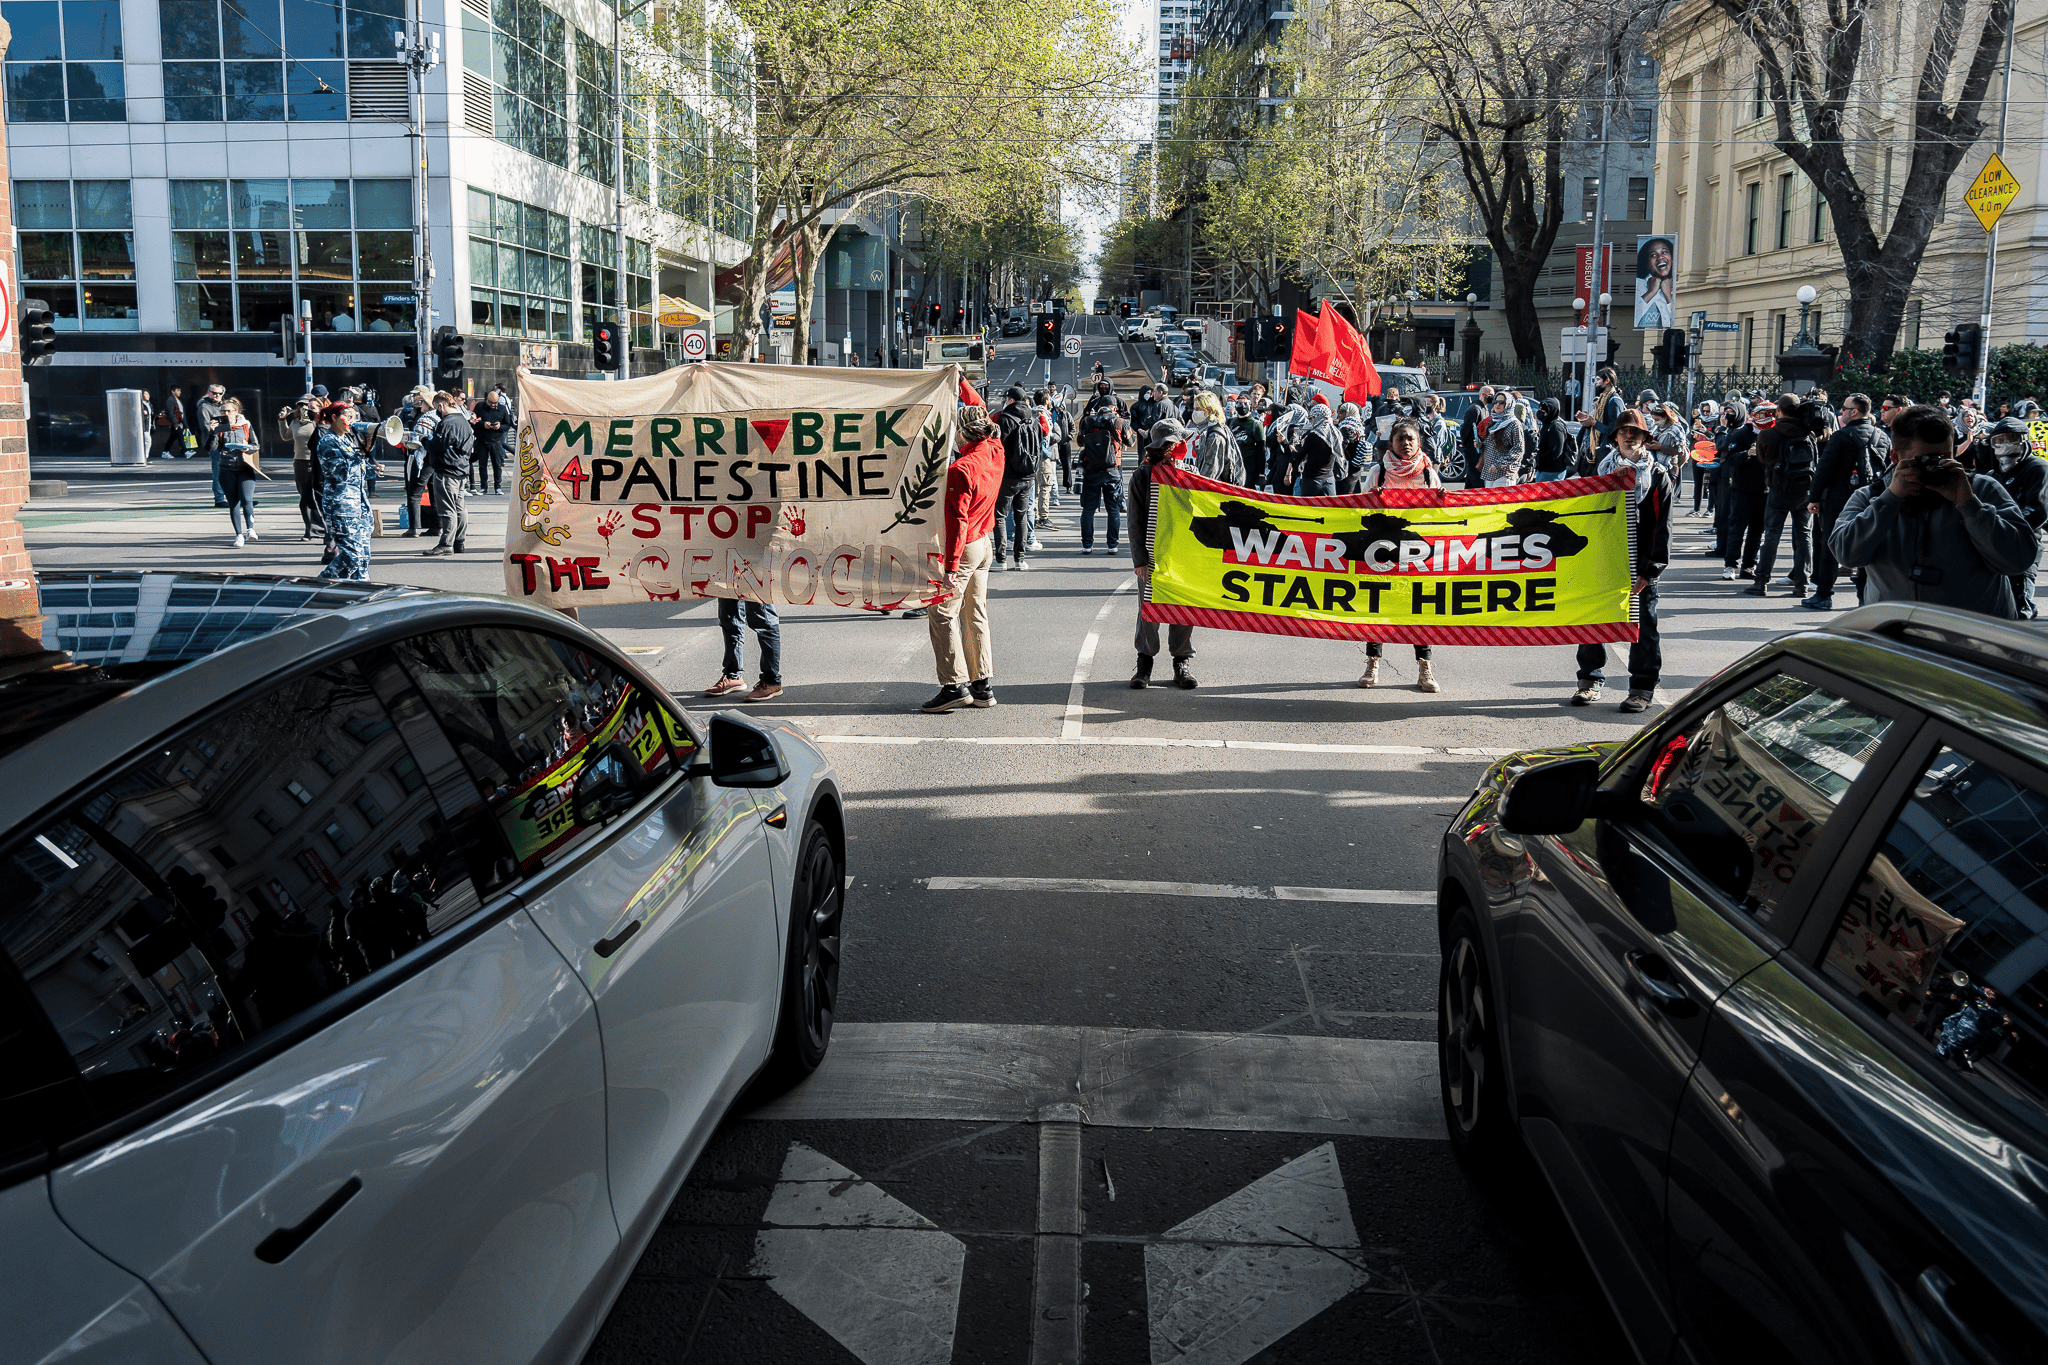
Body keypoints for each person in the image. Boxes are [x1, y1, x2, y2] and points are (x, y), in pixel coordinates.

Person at [1829, 404, 2039, 619]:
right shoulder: (1870, 497)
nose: (1936, 468)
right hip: (1899, 637)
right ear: (1895, 457)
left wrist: (1969, 505)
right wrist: (1890, 500)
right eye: (1924, 461)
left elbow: (2019, 560)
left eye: (1945, 458)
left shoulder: (1982, 490)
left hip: (1976, 638)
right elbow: (1846, 554)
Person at [1573, 408, 1672, 713]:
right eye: (1623, 432)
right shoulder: (1598, 471)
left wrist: (1649, 570)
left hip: (1639, 563)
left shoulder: (1657, 477)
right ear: (1614, 437)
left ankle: (1641, 688)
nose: (1629, 437)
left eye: (1636, 432)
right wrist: (1605, 483)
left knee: (1643, 625)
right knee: (1593, 619)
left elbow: (1660, 525)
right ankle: (1589, 681)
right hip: (1601, 558)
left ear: (1645, 438)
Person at [923, 394, 1005, 711]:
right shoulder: (995, 451)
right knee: (975, 615)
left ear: (961, 434)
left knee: (941, 613)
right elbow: (979, 407)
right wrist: (959, 382)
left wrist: (949, 568)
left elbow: (957, 522)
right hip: (985, 541)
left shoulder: (960, 468)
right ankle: (982, 684)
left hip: (966, 545)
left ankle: (953, 684)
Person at [1356, 418, 1442, 693]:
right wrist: (1372, 499)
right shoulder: (1378, 472)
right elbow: (1357, 509)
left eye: (1410, 439)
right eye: (1400, 439)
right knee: (1377, 609)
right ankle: (1372, 664)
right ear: (1390, 444)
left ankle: (1424, 669)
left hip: (1417, 553)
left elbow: (1438, 517)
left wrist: (1439, 500)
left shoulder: (1428, 473)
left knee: (1418, 610)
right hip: (1381, 552)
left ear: (1419, 443)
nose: (1405, 444)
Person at [1129, 420, 1199, 690]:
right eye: (1169, 443)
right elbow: (1134, 522)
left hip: (1184, 554)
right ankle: (1144, 662)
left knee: (1183, 609)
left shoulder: (1190, 472)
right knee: (1148, 611)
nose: (1174, 448)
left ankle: (1181, 662)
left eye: (1177, 443)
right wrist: (1139, 560)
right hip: (1152, 555)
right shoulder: (1142, 476)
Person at [1803, 392, 1888, 610]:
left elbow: (1824, 469)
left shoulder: (1841, 437)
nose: (1841, 412)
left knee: (1831, 545)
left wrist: (1814, 498)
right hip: (1872, 498)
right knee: (1867, 546)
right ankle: (1863, 598)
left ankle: (1823, 595)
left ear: (1855, 411)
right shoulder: (1882, 436)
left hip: (1839, 498)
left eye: (1845, 408)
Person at [1746, 392, 1822, 598]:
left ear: (1778, 410)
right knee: (1804, 536)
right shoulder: (1808, 434)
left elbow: (1762, 459)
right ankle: (1802, 584)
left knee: (1771, 536)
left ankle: (1761, 582)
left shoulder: (1768, 434)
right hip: (1804, 491)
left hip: (1778, 489)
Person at [312, 398, 383, 582]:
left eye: (354, 417)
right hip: (341, 508)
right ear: (335, 418)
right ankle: (321, 582)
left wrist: (370, 467)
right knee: (353, 557)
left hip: (359, 507)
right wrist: (361, 455)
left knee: (363, 557)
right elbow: (338, 474)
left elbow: (356, 473)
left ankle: (361, 589)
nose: (352, 421)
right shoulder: (328, 442)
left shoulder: (347, 440)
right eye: (348, 416)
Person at [1986, 417, 2047, 618]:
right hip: (1995, 545)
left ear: (2024, 440)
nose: (2005, 445)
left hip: (2024, 544)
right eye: (1999, 440)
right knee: (1998, 602)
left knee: (2021, 602)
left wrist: (2006, 530)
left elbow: (2038, 511)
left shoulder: (2037, 467)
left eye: (2012, 438)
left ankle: (2024, 644)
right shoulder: (1993, 474)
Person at [420, 392, 473, 556]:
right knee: (460, 508)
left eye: (437, 408)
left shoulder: (446, 423)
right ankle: (459, 541)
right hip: (461, 469)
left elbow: (437, 445)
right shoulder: (464, 421)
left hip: (446, 470)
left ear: (441, 405)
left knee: (447, 509)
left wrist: (424, 440)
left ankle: (446, 543)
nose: (437, 411)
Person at [1076, 393, 1129, 554]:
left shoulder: (1088, 421)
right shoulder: (1119, 421)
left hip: (1091, 469)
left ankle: (1087, 544)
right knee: (1113, 509)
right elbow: (1130, 442)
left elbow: (1079, 441)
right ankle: (1112, 545)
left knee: (1088, 509)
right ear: (1114, 407)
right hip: (1112, 469)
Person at [992, 386, 1038, 570]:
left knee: (1001, 516)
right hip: (1028, 476)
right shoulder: (1033, 420)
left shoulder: (1005, 420)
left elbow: (998, 448)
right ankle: (1020, 559)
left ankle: (1001, 559)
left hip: (1008, 475)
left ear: (1010, 400)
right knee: (1022, 516)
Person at [1721, 400, 1768, 581]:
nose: (1766, 419)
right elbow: (1729, 459)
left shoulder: (1771, 434)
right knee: (1737, 529)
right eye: (1763, 415)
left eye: (1769, 415)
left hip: (1764, 491)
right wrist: (1746, 454)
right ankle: (1730, 565)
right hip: (1742, 489)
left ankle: (1749, 565)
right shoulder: (1742, 434)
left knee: (1757, 531)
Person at [276, 389, 327, 540]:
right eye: (301, 405)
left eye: (308, 405)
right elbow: (286, 436)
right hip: (300, 461)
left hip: (317, 462)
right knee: (305, 497)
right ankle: (310, 529)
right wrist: (281, 420)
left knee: (319, 496)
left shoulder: (319, 422)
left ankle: (324, 528)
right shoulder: (296, 422)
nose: (304, 408)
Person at [217, 398, 264, 546]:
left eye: (228, 411)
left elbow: (256, 445)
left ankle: (250, 529)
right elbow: (211, 447)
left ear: (236, 412)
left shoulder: (245, 425)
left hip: (245, 468)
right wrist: (213, 432)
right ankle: (238, 535)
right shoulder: (220, 427)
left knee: (247, 499)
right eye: (223, 411)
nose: (225, 413)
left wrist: (247, 448)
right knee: (233, 503)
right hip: (226, 469)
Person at [397, 384, 436, 538]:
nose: (416, 399)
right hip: (433, 457)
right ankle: (436, 526)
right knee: (433, 491)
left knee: (414, 492)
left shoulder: (422, 415)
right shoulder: (438, 415)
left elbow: (417, 436)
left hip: (420, 456)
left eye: (420, 398)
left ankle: (414, 528)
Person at [1185, 390, 1244, 484]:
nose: (1195, 412)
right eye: (1194, 409)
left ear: (1209, 411)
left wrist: (1198, 486)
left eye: (1198, 409)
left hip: (1217, 490)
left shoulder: (1214, 435)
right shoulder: (1210, 429)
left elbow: (1210, 470)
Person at [1294, 395, 1345, 495]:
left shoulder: (1313, 436)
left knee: (1309, 510)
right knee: (1329, 510)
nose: (1311, 420)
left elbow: (1299, 457)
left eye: (1312, 417)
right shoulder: (1335, 433)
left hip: (1311, 481)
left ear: (1318, 417)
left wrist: (1290, 447)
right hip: (1329, 480)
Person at [471, 384, 514, 494]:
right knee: (482, 465)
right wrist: (482, 424)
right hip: (481, 439)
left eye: (495, 403)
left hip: (496, 440)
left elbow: (507, 424)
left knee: (497, 464)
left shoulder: (502, 409)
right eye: (491, 403)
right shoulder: (480, 406)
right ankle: (484, 486)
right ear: (487, 400)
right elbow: (473, 422)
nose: (493, 405)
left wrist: (500, 427)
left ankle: (498, 487)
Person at [1479, 389, 1525, 486]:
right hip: (1490, 472)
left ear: (1508, 404)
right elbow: (1492, 446)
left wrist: (1499, 464)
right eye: (1495, 401)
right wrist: (1481, 445)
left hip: (1505, 474)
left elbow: (1518, 449)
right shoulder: (1494, 421)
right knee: (1489, 501)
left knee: (1501, 501)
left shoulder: (1514, 423)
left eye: (1501, 402)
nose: (1497, 404)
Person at [196, 383, 229, 505]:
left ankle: (237, 498)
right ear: (208, 392)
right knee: (218, 472)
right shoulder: (204, 407)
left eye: (220, 393)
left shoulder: (223, 406)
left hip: (227, 442)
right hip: (214, 443)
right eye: (214, 393)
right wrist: (219, 429)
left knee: (232, 471)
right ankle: (219, 499)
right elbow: (205, 427)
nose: (217, 395)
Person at [1530, 398, 1571, 482]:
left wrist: (1539, 459)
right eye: (1539, 409)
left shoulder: (1556, 427)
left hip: (1552, 470)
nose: (1540, 413)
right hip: (1543, 469)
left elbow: (1555, 451)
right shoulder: (1547, 424)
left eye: (1543, 411)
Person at [162, 386, 188, 460]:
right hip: (175, 423)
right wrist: (175, 423)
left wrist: (185, 423)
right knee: (180, 437)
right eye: (178, 390)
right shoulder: (170, 400)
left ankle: (165, 452)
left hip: (180, 422)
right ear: (172, 391)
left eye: (180, 390)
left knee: (172, 438)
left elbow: (182, 413)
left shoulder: (178, 400)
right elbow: (171, 413)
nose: (179, 392)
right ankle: (186, 452)